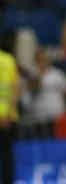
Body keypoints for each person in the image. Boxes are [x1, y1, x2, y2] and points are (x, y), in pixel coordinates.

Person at [0, 36, 20, 184]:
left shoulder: (8, 60)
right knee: (7, 155)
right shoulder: (9, 60)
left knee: (7, 155)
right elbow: (16, 89)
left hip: (5, 117)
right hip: (8, 117)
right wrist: (9, 113)